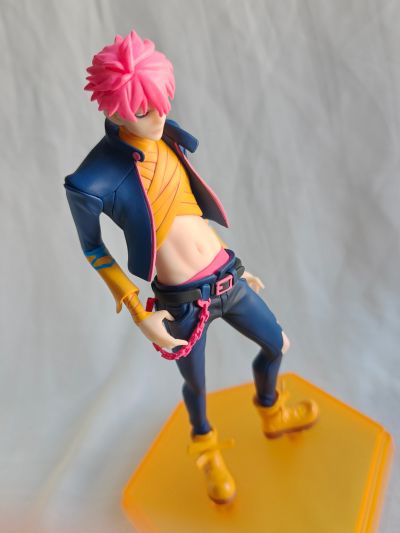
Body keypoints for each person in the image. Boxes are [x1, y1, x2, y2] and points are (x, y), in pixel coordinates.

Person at [65, 30, 319, 505]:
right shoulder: (91, 178)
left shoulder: (167, 136)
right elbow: (94, 249)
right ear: (114, 109)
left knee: (276, 342)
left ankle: (271, 411)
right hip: (182, 303)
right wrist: (139, 313)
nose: (159, 116)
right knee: (196, 384)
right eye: (145, 109)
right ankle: (206, 450)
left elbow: (188, 212)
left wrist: (235, 265)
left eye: (162, 102)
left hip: (228, 276)